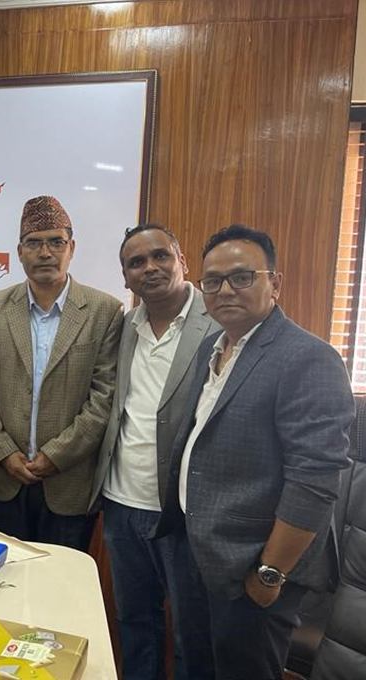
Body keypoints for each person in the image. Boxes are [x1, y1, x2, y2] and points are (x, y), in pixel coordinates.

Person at [157, 225, 354, 679]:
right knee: (196, 665)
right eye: (212, 281)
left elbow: (315, 480)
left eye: (242, 277)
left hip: (254, 566)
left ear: (275, 283)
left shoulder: (308, 358)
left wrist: (270, 572)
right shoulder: (213, 346)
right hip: (196, 550)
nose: (225, 290)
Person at [88, 224, 218, 680]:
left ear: (182, 259)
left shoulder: (219, 322)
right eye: (136, 263)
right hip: (122, 504)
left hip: (183, 511)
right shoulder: (125, 327)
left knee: (191, 630)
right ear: (125, 278)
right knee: (134, 621)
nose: (150, 268)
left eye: (160, 256)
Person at [0, 195, 122, 550]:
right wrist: (6, 453)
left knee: (61, 591)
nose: (45, 253)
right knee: (1, 586)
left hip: (69, 481)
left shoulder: (105, 311)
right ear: (20, 251)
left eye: (56, 242)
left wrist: (54, 456)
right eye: (34, 243)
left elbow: (104, 398)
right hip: (4, 479)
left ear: (71, 248)